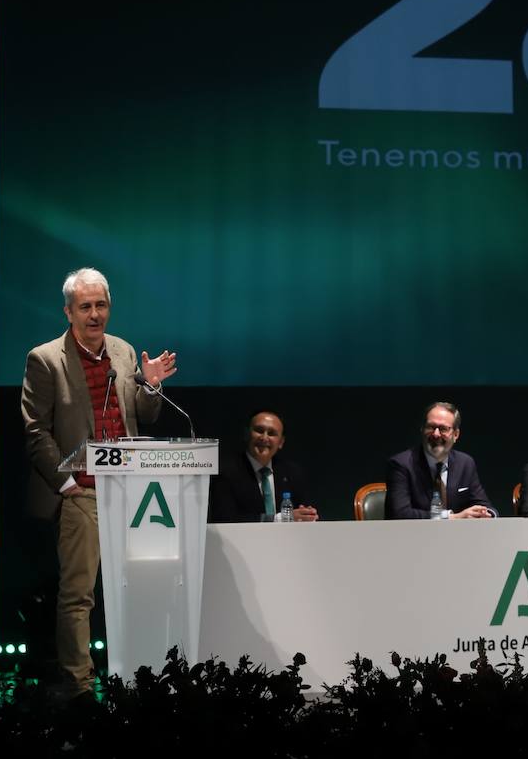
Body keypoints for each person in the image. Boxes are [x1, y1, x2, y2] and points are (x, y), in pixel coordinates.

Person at [21, 267, 178, 694]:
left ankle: (137, 676)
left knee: (136, 589)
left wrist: (150, 386)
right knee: (78, 596)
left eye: (101, 305)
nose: (95, 314)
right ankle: (79, 687)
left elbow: (144, 418)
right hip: (82, 492)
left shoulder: (124, 352)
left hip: (131, 491)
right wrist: (67, 484)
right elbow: (35, 431)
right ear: (68, 312)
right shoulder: (46, 358)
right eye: (85, 307)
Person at [384, 402, 496, 519]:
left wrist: (486, 514)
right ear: (422, 429)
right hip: (413, 535)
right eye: (431, 427)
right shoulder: (401, 464)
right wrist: (450, 517)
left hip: (458, 536)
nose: (436, 434)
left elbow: (484, 505)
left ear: (456, 435)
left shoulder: (465, 463)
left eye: (443, 429)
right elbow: (400, 514)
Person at [208, 410, 319, 522]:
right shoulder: (226, 472)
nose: (264, 438)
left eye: (271, 433)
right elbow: (225, 519)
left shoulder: (292, 473)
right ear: (247, 434)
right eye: (259, 430)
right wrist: (279, 519)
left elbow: (305, 511)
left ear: (281, 442)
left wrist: (308, 515)